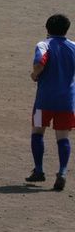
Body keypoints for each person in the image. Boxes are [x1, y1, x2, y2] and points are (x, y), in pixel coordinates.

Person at [25, 14, 75, 191]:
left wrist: (34, 75)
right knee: (63, 137)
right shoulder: (73, 46)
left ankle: (39, 170)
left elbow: (40, 62)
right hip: (66, 102)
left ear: (47, 28)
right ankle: (62, 172)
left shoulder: (44, 44)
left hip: (43, 101)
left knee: (37, 132)